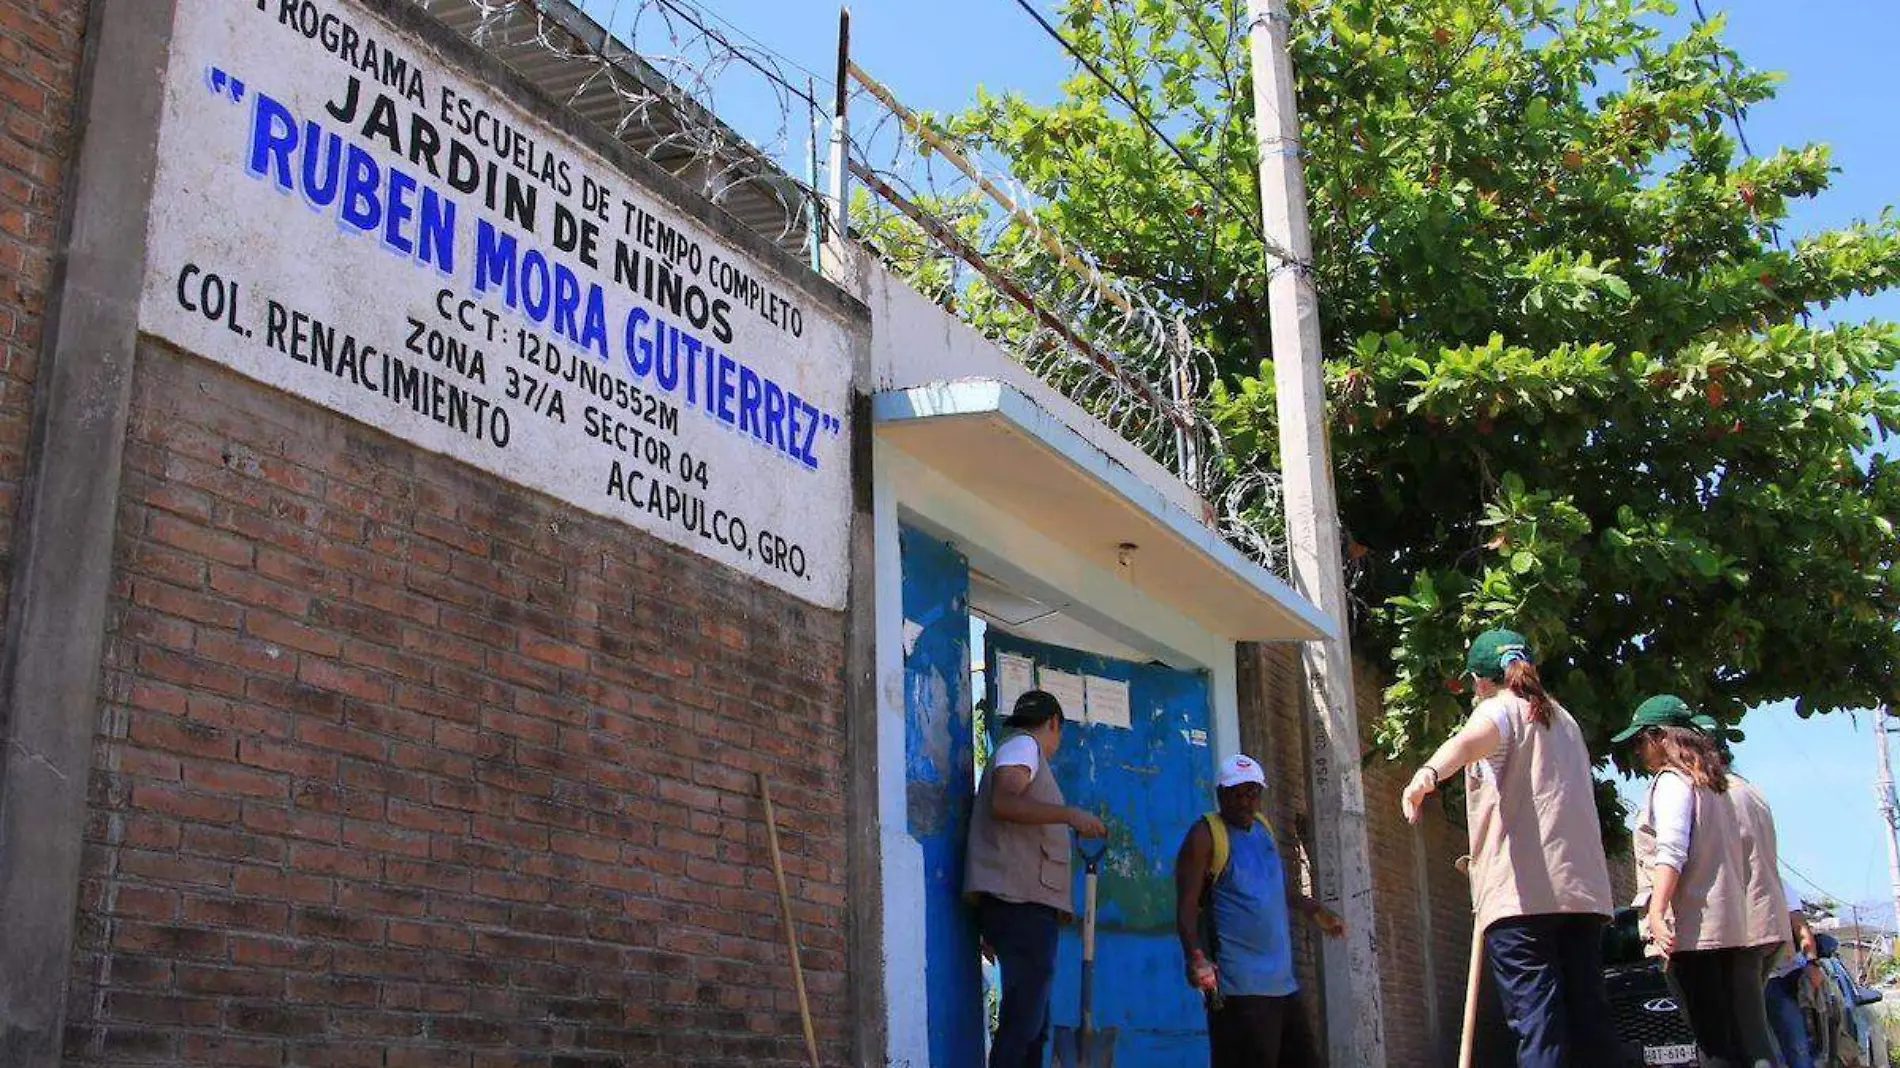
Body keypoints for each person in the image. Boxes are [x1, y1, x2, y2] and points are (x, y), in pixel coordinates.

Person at [1400, 629, 1627, 1068]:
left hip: (1522, 900)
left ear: (1482, 680)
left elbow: (1468, 743)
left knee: (1540, 1026)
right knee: (1590, 1025)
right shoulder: (1564, 719)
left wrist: (1426, 774)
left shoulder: (1499, 710)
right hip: (1581, 896)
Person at [1614, 695, 1793, 1068]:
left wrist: (1659, 910)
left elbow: (1672, 850)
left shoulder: (1673, 782)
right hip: (1737, 929)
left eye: (1639, 741)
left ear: (1659, 736)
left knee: (1712, 1042)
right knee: (1742, 1038)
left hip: (1696, 930)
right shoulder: (1726, 788)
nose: (1638, 752)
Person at [964, 689, 1107, 1068]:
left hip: (1022, 904)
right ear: (1054, 724)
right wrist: (1069, 815)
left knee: (1032, 1025)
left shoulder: (1019, 749)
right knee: (1023, 1023)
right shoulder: (1024, 747)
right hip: (1020, 906)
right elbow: (1005, 802)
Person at [1174, 753, 1344, 1067]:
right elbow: (1185, 905)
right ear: (1221, 794)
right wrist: (1196, 957)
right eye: (1236, 793)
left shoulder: (1263, 828)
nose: (1245, 801)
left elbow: (1271, 888)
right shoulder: (1205, 836)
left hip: (1282, 987)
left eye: (1252, 792)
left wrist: (1312, 909)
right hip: (1239, 992)